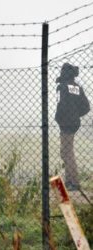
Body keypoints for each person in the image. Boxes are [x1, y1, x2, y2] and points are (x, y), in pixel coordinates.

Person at [55, 62, 90, 191]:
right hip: (74, 122)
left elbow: (60, 105)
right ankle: (69, 181)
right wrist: (76, 114)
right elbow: (86, 107)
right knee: (66, 151)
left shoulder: (62, 87)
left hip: (65, 123)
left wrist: (59, 118)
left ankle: (73, 182)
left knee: (66, 152)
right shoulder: (77, 87)